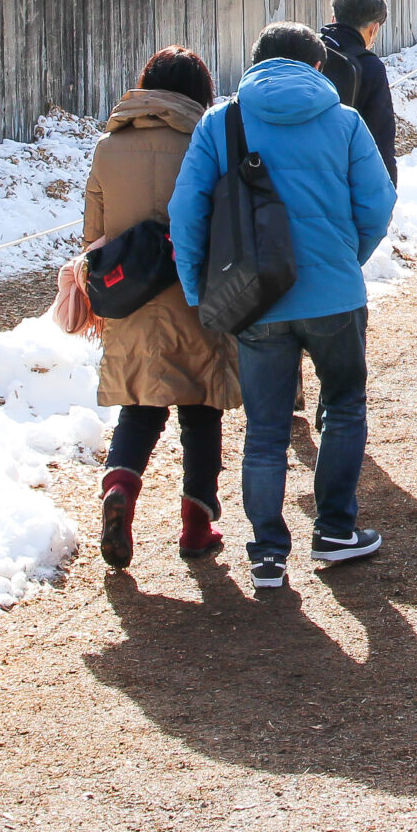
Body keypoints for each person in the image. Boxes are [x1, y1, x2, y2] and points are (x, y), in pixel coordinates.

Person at [169, 23, 397, 592]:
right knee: (344, 407)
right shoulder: (345, 122)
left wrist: (202, 292)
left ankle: (268, 553)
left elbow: (186, 211)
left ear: (255, 63)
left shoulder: (223, 122)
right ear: (317, 70)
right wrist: (348, 258)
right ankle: (335, 530)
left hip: (254, 298)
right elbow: (378, 201)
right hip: (335, 296)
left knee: (266, 427)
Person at [88, 45, 240, 572]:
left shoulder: (108, 147)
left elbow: (94, 236)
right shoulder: (206, 140)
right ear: (199, 92)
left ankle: (121, 490)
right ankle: (197, 529)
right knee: (202, 411)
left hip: (130, 299)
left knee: (140, 408)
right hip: (197, 295)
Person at [319, 0, 400, 187]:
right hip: (340, 181)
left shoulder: (303, 51)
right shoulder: (369, 66)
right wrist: (386, 193)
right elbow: (380, 138)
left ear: (333, 18)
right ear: (374, 29)